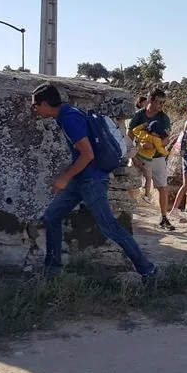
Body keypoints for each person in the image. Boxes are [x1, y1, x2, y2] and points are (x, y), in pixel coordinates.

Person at [31, 83, 158, 280]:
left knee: (111, 228)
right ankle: (52, 272)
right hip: (81, 179)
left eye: (35, 105)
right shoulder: (68, 114)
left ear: (46, 104)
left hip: (91, 180)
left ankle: (148, 270)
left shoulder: (69, 119)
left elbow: (87, 154)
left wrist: (64, 178)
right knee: (52, 217)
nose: (34, 110)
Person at [127, 88, 175, 231]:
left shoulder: (164, 118)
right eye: (159, 102)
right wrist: (134, 155)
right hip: (139, 156)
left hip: (157, 158)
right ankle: (127, 215)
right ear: (150, 100)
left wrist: (153, 144)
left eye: (163, 102)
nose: (161, 105)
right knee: (130, 185)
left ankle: (164, 217)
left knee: (162, 186)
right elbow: (129, 136)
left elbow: (166, 139)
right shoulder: (138, 116)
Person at [129, 120, 168, 204]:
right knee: (148, 178)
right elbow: (160, 149)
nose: (159, 135)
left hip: (138, 157)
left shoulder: (142, 133)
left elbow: (134, 130)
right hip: (147, 161)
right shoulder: (156, 139)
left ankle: (130, 196)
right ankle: (146, 195)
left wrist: (143, 124)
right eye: (159, 133)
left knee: (133, 176)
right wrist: (166, 153)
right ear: (154, 132)